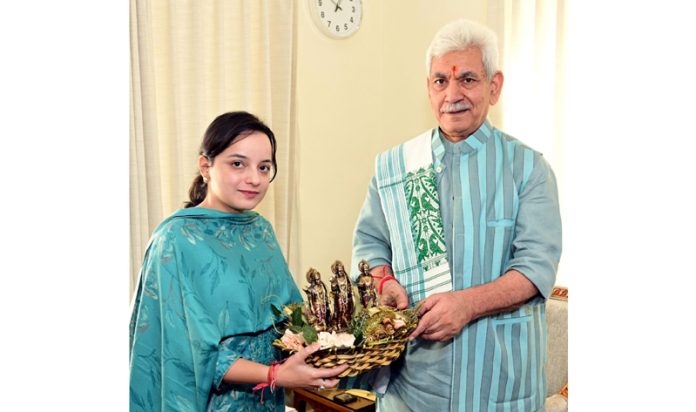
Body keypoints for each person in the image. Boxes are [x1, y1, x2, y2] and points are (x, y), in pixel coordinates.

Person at [351, 19, 562, 411]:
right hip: (412, 385)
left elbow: (536, 268)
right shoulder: (395, 167)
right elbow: (370, 245)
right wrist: (384, 284)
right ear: (427, 88)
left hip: (497, 382)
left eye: (467, 79)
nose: (453, 94)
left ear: (494, 86)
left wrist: (467, 304)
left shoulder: (528, 169)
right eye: (440, 81)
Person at [129, 111, 348, 412]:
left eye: (264, 167)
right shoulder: (176, 240)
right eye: (237, 164)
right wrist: (277, 374)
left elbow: (288, 321)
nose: (254, 179)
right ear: (205, 166)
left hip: (267, 400)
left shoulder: (260, 230)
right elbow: (188, 353)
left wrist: (317, 356)